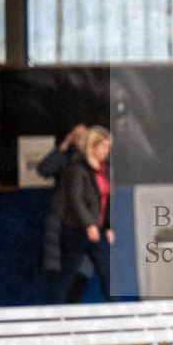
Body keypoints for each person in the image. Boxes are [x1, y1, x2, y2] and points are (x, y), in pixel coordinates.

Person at [52, 125, 117, 303]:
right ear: (92, 146)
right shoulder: (77, 168)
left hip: (98, 229)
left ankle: (118, 312)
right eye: (103, 146)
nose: (106, 151)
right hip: (76, 230)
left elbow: (109, 198)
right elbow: (76, 199)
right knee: (68, 273)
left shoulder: (106, 169)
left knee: (106, 271)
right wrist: (89, 224)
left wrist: (109, 226)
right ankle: (56, 313)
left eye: (108, 147)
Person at [37, 123, 91, 301]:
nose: (81, 139)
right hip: (63, 226)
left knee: (80, 275)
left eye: (84, 136)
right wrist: (65, 144)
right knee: (60, 279)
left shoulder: (94, 161)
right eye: (77, 136)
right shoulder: (65, 159)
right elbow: (44, 169)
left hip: (84, 227)